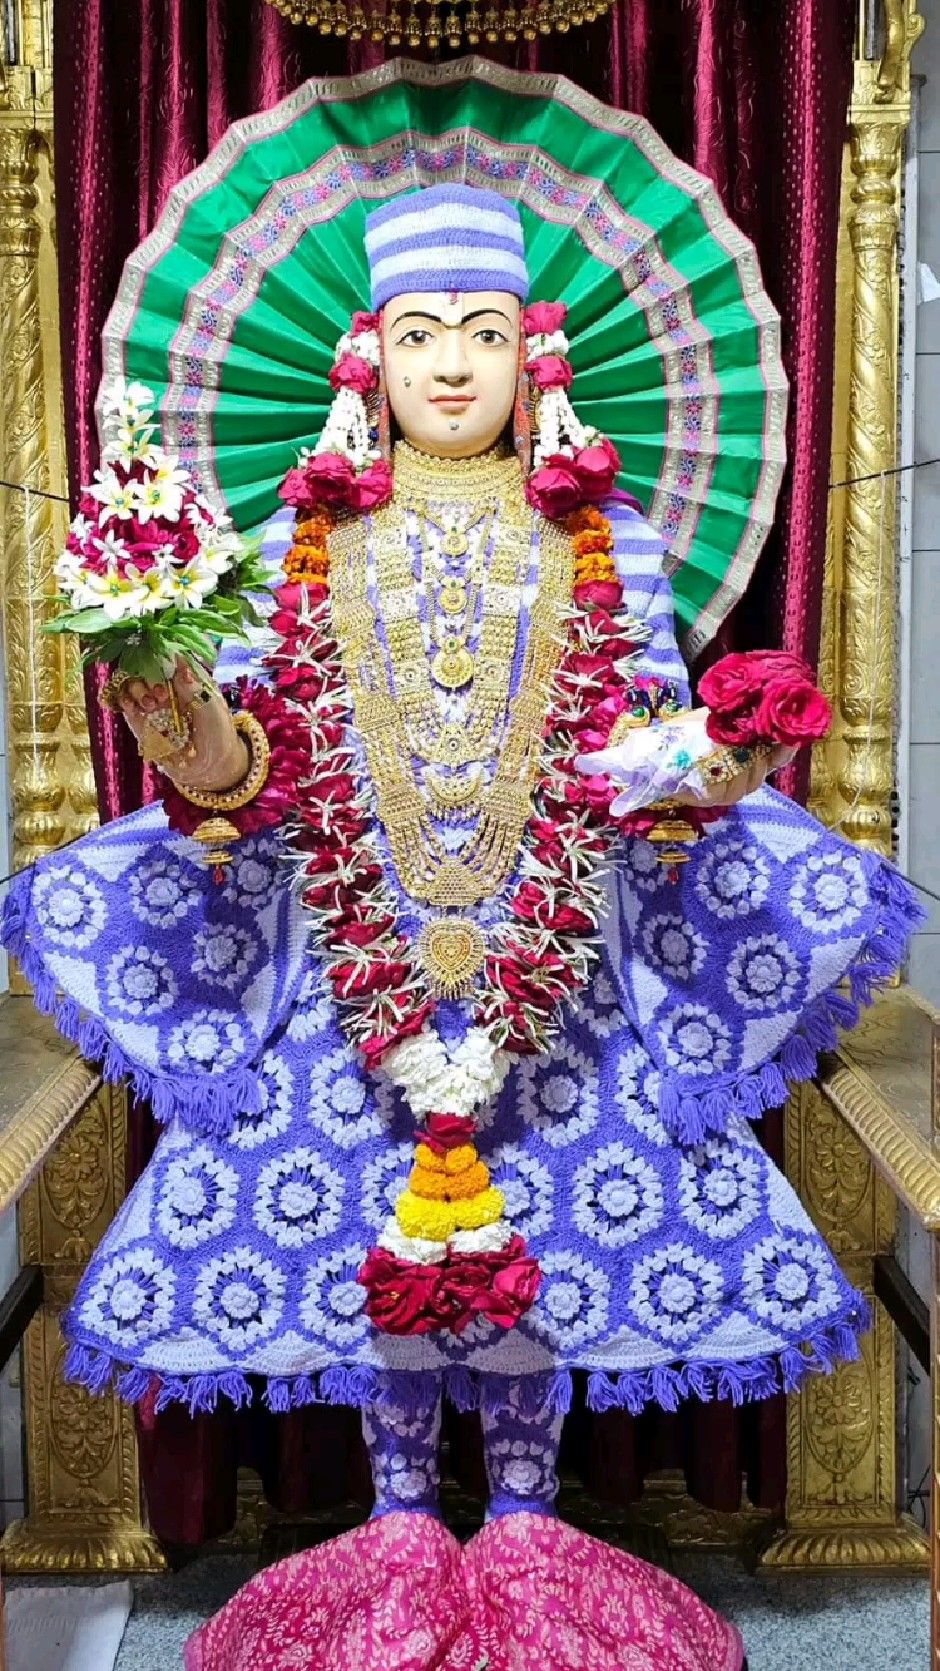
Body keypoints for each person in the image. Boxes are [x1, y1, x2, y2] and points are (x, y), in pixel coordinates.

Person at [2, 168, 918, 1671]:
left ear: (530, 354)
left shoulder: (604, 535)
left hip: (559, 959)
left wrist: (727, 755)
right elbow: (250, 769)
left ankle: (534, 1524)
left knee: (535, 1239)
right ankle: (403, 1521)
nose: (448, 364)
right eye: (419, 331)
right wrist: (173, 713)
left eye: (481, 333)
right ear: (369, 351)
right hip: (345, 952)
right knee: (385, 1247)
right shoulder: (298, 540)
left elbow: (645, 751)